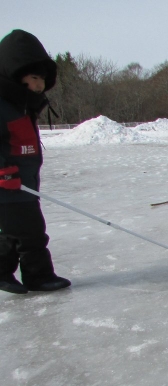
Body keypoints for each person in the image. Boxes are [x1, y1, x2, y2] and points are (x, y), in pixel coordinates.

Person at [0, 29, 71, 294]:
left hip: (24, 182)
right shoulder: (3, 105)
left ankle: (2, 272)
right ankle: (38, 277)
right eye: (34, 78)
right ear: (16, 74)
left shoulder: (22, 105)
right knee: (31, 232)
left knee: (14, 232)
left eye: (42, 79)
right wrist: (3, 170)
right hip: (8, 182)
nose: (40, 85)